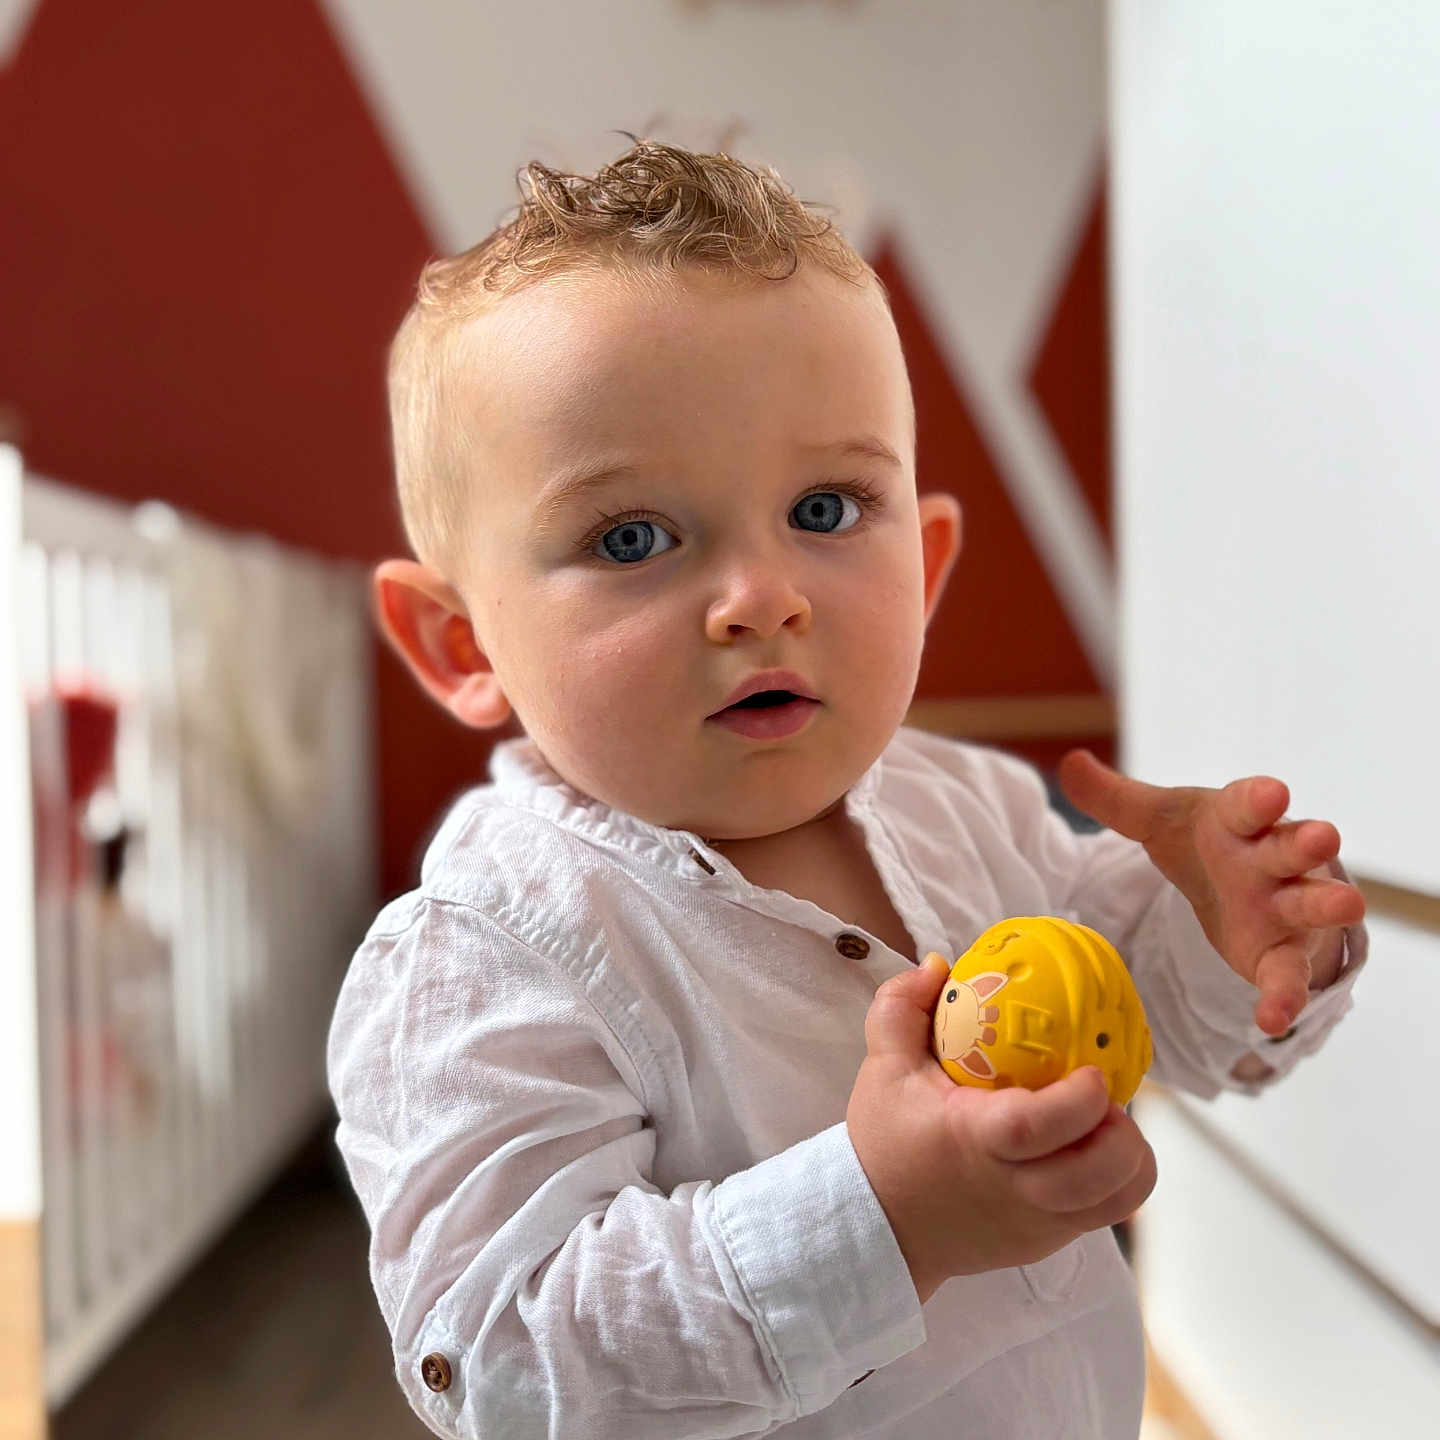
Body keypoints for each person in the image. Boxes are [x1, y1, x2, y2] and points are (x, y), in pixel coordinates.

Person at [326, 137, 1367, 1440]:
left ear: (923, 568)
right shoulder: (486, 952)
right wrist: (879, 1217)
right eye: (631, 537)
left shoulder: (968, 808)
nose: (764, 594)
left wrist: (1230, 938)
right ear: (460, 643)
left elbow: (1155, 1017)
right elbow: (505, 1358)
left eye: (826, 509)